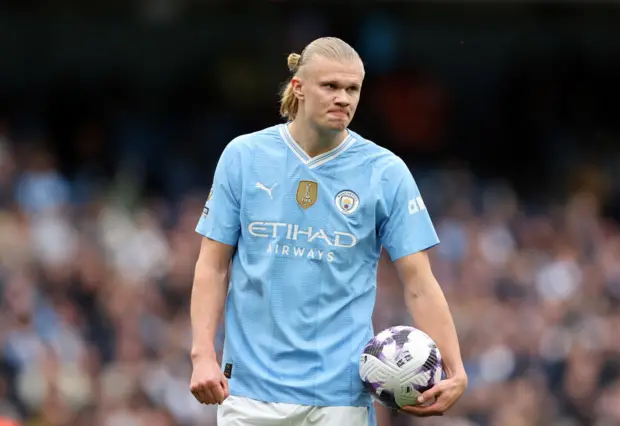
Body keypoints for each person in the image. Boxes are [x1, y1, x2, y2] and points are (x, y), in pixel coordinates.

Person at [189, 37, 467, 426]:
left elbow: (420, 282)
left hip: (340, 399)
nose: (344, 98)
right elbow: (212, 266)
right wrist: (203, 354)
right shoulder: (244, 156)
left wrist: (454, 368)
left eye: (352, 89)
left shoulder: (384, 171)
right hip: (250, 394)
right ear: (298, 88)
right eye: (331, 86)